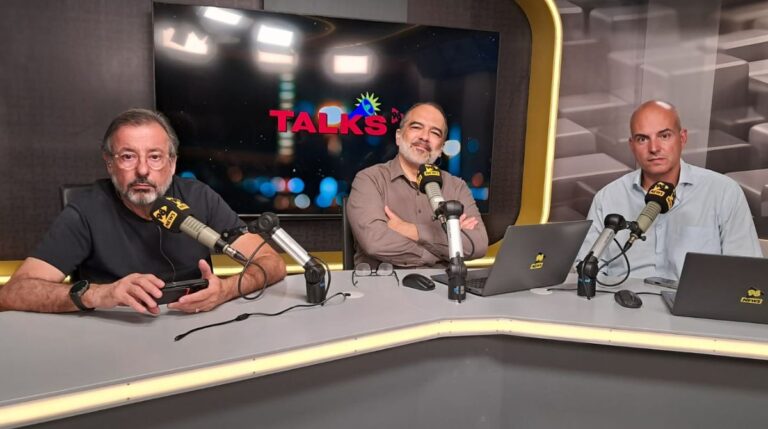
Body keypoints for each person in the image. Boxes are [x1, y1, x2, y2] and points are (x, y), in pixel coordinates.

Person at [0, 109, 286, 314]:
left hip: (194, 330)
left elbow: (271, 263)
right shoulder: (85, 210)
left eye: (155, 157)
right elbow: (12, 293)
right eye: (128, 156)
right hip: (112, 340)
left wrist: (226, 290)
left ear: (172, 164)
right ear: (109, 163)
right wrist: (100, 293)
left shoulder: (200, 197)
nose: (142, 170)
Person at [578, 100, 761, 281]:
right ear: (632, 145)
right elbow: (586, 272)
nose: (654, 148)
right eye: (643, 139)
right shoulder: (607, 197)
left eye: (664, 136)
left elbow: (746, 273)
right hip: (619, 297)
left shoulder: (724, 192)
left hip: (694, 299)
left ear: (682, 138)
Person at [347, 102, 488, 268]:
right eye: (416, 127)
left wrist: (408, 229)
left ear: (441, 148)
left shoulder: (457, 187)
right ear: (398, 136)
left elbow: (478, 245)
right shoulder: (369, 179)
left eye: (435, 132)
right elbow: (375, 242)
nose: (425, 137)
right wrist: (445, 247)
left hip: (443, 283)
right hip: (385, 282)